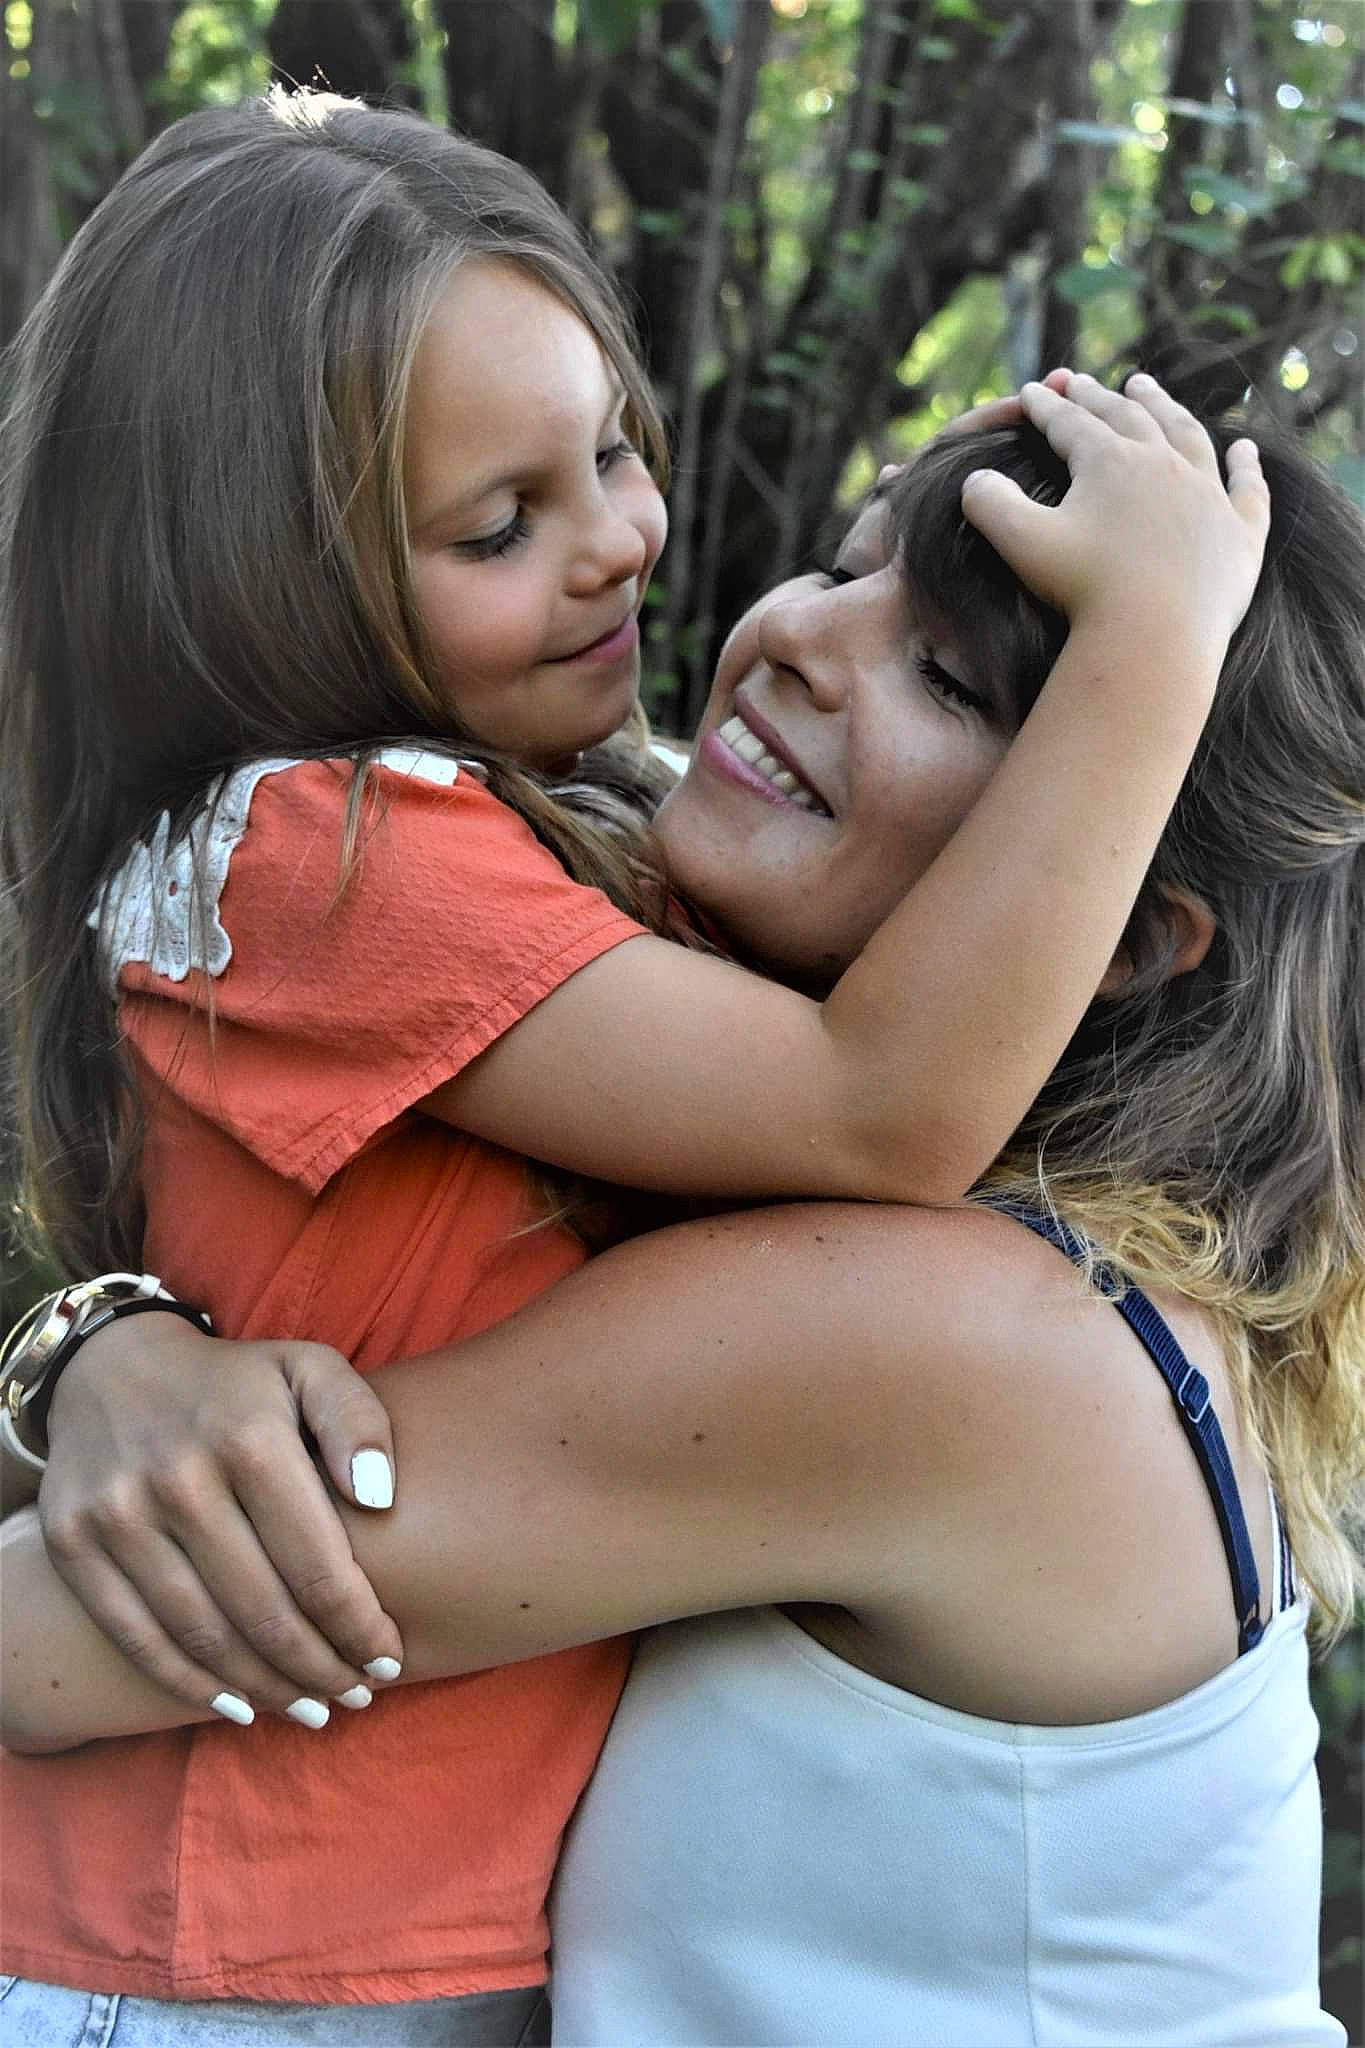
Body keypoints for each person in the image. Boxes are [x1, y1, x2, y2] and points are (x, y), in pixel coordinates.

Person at [6, 396, 1360, 2047]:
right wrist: (97, 1348)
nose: (797, 638)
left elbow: (99, 1631)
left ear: (1132, 936)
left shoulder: (940, 1331)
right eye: (837, 569)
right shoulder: (1041, 1282)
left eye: (941, 676)